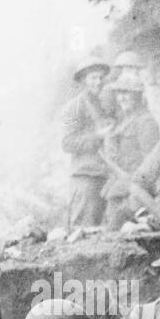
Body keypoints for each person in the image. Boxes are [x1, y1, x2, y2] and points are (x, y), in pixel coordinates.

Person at [101, 77, 160, 228]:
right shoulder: (122, 121)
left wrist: (136, 195)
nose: (122, 98)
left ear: (138, 95)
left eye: (127, 93)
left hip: (134, 193)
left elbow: (151, 164)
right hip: (118, 189)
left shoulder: (146, 122)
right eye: (119, 93)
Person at [62, 56, 112, 229]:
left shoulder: (105, 105)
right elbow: (67, 143)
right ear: (83, 80)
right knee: (83, 229)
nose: (98, 82)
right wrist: (97, 136)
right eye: (93, 78)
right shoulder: (73, 108)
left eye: (100, 78)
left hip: (105, 176)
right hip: (85, 178)